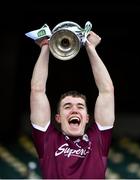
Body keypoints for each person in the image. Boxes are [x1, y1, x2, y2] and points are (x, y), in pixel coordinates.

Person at [30, 30, 115, 179]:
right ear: (58, 117)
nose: (74, 110)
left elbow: (106, 91)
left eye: (80, 107)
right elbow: (37, 91)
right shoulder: (48, 140)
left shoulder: (98, 139)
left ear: (87, 117)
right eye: (67, 107)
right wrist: (45, 46)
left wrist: (91, 48)